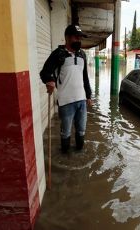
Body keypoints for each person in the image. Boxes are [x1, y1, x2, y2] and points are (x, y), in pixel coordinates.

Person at [40, 25, 92, 154]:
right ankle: (65, 156)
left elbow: (85, 77)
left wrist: (89, 96)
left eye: (80, 38)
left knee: (81, 131)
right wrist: (50, 80)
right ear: (67, 38)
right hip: (66, 102)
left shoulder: (82, 55)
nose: (78, 40)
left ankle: (79, 155)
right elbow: (45, 72)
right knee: (66, 132)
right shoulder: (58, 54)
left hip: (81, 101)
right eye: (76, 37)